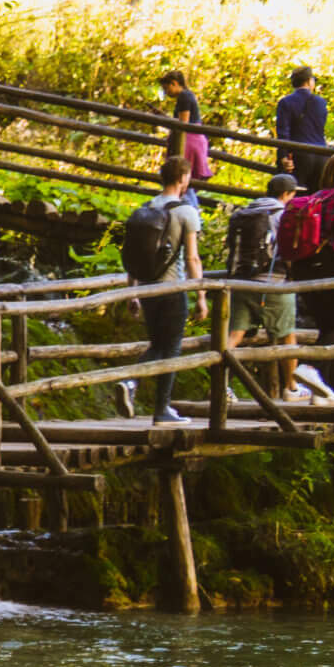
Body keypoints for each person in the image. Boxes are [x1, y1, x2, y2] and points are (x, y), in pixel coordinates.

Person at [120, 154, 202, 423]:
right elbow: (192, 258)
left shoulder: (147, 207)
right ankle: (160, 408)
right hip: (171, 289)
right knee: (172, 349)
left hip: (147, 289)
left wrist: (133, 291)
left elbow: (135, 254)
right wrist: (201, 294)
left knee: (158, 345)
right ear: (182, 179)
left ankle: (133, 384)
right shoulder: (186, 212)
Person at [281, 150, 334, 343]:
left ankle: (316, 372)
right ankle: (311, 369)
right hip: (331, 265)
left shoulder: (317, 197)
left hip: (304, 267)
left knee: (327, 327)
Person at [223, 172, 297, 355]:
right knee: (287, 337)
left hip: (241, 282)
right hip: (272, 285)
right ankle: (290, 384)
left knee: (235, 334)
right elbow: (287, 252)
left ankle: (217, 378)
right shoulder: (281, 215)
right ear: (286, 194)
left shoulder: (246, 212)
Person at [159, 69, 211, 203]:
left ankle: (190, 208)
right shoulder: (187, 96)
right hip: (193, 139)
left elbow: (183, 123)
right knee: (185, 182)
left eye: (166, 88)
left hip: (188, 140)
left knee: (182, 179)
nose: (166, 92)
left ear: (174, 83)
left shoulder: (184, 96)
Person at [276, 66, 328, 186]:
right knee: (316, 198)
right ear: (310, 81)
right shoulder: (321, 102)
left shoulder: (286, 102)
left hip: (298, 156)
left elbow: (283, 132)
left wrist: (283, 156)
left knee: (294, 195)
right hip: (321, 154)